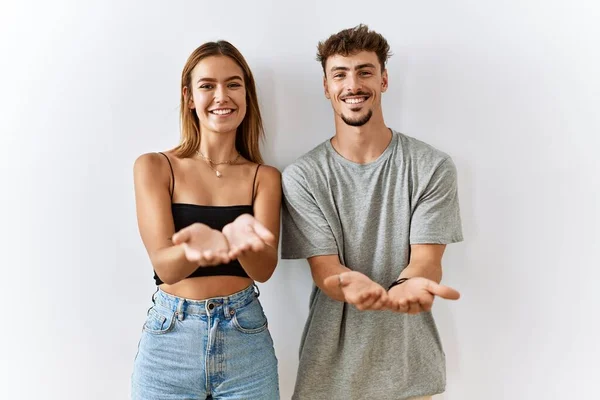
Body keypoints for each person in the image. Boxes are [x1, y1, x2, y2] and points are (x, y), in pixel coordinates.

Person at [281, 24, 463, 400]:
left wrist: (406, 285)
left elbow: (427, 261)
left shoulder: (431, 166)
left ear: (384, 79)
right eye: (340, 74)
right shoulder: (303, 176)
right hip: (328, 378)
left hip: (410, 373)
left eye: (365, 71)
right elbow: (325, 269)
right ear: (326, 86)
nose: (353, 85)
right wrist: (348, 284)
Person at [131, 40, 281, 400]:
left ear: (247, 94)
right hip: (170, 342)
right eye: (207, 85)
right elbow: (166, 267)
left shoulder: (264, 177)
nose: (221, 96)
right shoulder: (155, 167)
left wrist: (239, 243)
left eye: (233, 84)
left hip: (245, 337)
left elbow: (263, 269)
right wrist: (198, 249)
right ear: (188, 97)